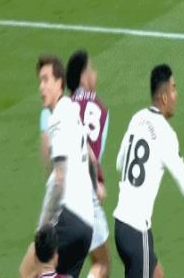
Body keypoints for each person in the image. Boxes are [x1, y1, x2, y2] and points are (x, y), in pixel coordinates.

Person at [113, 64, 184, 278]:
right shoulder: (166, 134)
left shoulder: (137, 117)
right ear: (164, 97)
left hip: (121, 226)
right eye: (174, 89)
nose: (176, 95)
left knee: (157, 274)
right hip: (137, 231)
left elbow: (120, 162)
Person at [20, 55, 94, 278]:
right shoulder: (72, 110)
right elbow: (90, 157)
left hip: (67, 216)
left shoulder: (58, 118)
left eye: (46, 80)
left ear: (60, 82)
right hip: (86, 226)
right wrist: (95, 188)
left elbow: (60, 177)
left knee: (27, 271)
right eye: (39, 81)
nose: (41, 87)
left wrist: (43, 228)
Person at [66, 50, 111, 278]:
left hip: (61, 191)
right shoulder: (101, 109)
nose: (95, 74)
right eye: (92, 69)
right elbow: (89, 152)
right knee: (102, 263)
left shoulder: (63, 106)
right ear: (83, 76)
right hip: (85, 190)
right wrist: (96, 183)